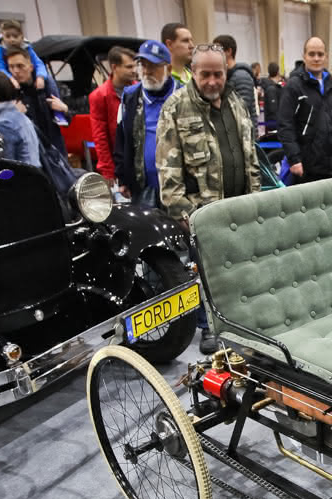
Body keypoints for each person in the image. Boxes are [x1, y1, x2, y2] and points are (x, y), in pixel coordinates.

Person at [157, 43, 259, 353]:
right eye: (205, 74)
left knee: (242, 269)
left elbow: (250, 155)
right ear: (193, 72)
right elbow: (168, 172)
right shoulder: (175, 108)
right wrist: (186, 215)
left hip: (240, 207)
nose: (212, 81)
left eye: (218, 74)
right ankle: (207, 327)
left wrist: (256, 200)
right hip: (201, 212)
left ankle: (243, 321)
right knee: (205, 273)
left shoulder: (236, 103)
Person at [0, 71, 83, 199]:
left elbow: (5, 169)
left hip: (23, 190)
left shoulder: (1, 123)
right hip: (38, 181)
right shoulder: (17, 116)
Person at [114, 40, 182, 207]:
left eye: (154, 66)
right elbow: (121, 138)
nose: (146, 71)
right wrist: (123, 178)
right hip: (144, 187)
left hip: (181, 187)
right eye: (142, 65)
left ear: (169, 69)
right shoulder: (129, 97)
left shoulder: (184, 96)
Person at [277, 36, 332, 184]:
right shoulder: (294, 86)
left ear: (326, 56)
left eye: (320, 54)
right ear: (304, 56)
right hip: (306, 168)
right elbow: (285, 124)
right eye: (312, 54)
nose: (316, 58)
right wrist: (294, 159)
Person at [5, 48, 70, 157]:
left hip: (55, 150)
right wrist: (15, 116)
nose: (15, 71)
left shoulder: (47, 84)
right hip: (31, 155)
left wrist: (65, 109)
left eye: (20, 66)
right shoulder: (10, 92)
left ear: (31, 67)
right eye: (11, 67)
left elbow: (66, 121)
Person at [89, 46, 137, 181]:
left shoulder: (140, 90)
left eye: (135, 66)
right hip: (119, 164)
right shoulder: (99, 96)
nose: (134, 71)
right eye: (129, 67)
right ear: (115, 67)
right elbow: (100, 136)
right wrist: (108, 171)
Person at [0, 72, 40, 165]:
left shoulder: (0, 123)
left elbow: (5, 165)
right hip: (34, 174)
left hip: (20, 176)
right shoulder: (16, 114)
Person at [0, 19, 59, 97]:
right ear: (3, 37)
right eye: (8, 36)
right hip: (8, 76)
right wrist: (11, 78)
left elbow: (38, 63)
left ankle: (56, 101)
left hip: (26, 76)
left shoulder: (26, 47)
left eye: (15, 36)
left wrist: (40, 77)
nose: (12, 39)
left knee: (49, 79)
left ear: (21, 36)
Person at [212, 35, 258, 129]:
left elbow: (242, 108)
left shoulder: (241, 76)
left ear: (229, 51)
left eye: (217, 50)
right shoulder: (225, 75)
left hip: (244, 135)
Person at [261, 61, 284, 134]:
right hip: (273, 124)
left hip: (272, 123)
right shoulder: (271, 88)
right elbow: (273, 109)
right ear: (277, 72)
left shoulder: (273, 86)